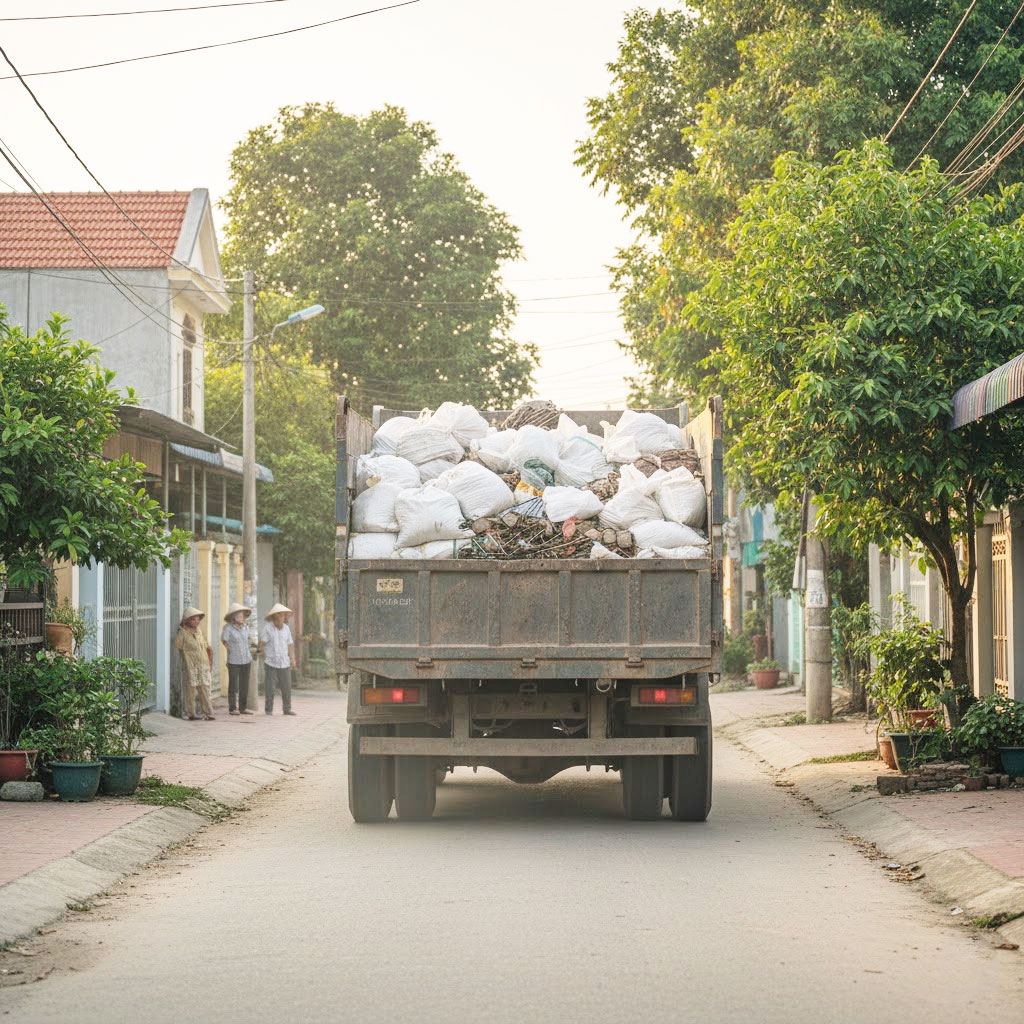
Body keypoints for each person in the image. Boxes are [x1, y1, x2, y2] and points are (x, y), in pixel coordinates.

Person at [174, 607, 215, 721]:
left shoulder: (199, 632)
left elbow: (207, 646)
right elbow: (178, 646)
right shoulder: (182, 633)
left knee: (204, 688)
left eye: (198, 619)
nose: (197, 622)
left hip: (203, 664)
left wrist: (210, 662)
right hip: (190, 665)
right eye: (194, 619)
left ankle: (208, 712)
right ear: (188, 620)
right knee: (190, 689)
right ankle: (190, 713)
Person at [260, 602, 296, 716]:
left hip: (284, 662)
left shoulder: (286, 629)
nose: (282, 617)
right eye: (279, 614)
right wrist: (263, 655)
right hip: (271, 663)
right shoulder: (267, 629)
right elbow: (262, 643)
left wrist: (293, 659)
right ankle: (268, 709)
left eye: (283, 615)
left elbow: (290, 644)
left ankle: (287, 709)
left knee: (286, 687)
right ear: (274, 616)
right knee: (270, 688)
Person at [221, 603, 254, 716]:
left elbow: (249, 641)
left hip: (246, 659)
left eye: (243, 616)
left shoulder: (246, 627)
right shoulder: (228, 628)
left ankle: (243, 708)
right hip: (234, 660)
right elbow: (224, 641)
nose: (242, 618)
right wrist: (230, 651)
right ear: (233, 617)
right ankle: (232, 708)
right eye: (240, 616)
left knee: (244, 685)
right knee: (233, 685)